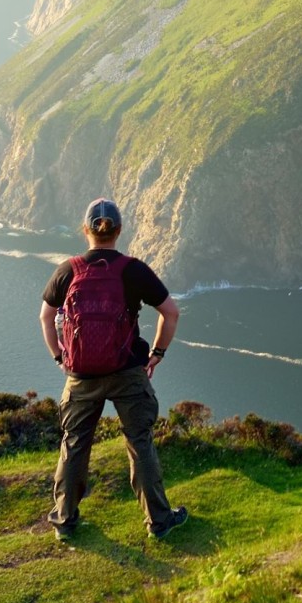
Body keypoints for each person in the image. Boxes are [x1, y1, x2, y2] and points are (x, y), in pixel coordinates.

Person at [39, 198, 188, 542]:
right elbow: (171, 313)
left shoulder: (68, 270)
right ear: (119, 230)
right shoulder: (133, 270)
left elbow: (46, 318)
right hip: (128, 372)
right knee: (139, 442)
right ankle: (159, 521)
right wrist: (157, 353)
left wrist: (60, 357)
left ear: (85, 230)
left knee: (75, 444)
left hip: (81, 376)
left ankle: (64, 521)